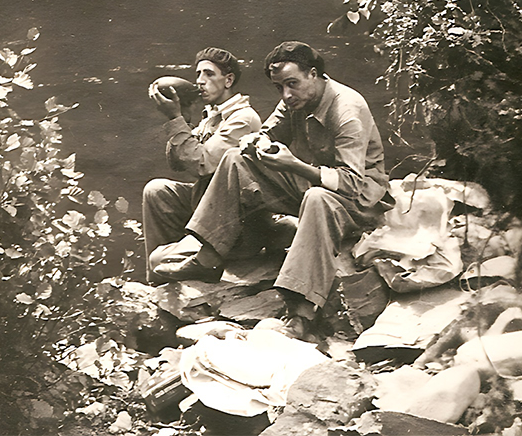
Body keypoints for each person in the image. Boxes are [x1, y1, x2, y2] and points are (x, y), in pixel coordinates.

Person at [154, 41, 393, 336]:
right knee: (235, 158)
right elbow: (267, 131)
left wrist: (293, 164)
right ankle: (208, 258)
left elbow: (352, 183)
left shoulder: (346, 110)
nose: (285, 95)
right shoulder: (295, 97)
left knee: (318, 198)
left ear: (314, 74)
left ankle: (301, 314)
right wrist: (257, 143)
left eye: (291, 84)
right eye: (279, 88)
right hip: (315, 183)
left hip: (359, 200)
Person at [143, 47, 261, 284]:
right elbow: (176, 163)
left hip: (235, 224)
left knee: (158, 261)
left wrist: (175, 121)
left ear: (228, 80)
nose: (199, 82)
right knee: (156, 190)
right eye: (198, 74)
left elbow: (202, 164)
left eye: (209, 74)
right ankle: (163, 279)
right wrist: (183, 118)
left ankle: (172, 269)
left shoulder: (242, 119)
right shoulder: (213, 115)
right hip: (209, 207)